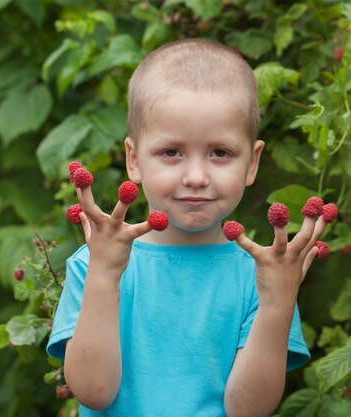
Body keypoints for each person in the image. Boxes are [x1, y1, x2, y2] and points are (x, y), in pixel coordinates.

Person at [46, 38, 326, 417]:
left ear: (252, 162)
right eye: (171, 152)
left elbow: (249, 409)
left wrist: (278, 302)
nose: (196, 177)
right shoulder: (93, 263)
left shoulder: (264, 277)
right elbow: (94, 391)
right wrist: (104, 274)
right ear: (134, 160)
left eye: (220, 153)